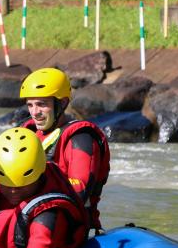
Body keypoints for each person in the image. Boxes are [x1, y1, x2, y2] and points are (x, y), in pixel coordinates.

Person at [18, 67, 110, 232]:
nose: (34, 112)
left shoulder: (81, 139)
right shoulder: (27, 133)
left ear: (62, 103)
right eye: (30, 105)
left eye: (41, 104)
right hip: (30, 219)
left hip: (70, 230)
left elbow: (79, 190)